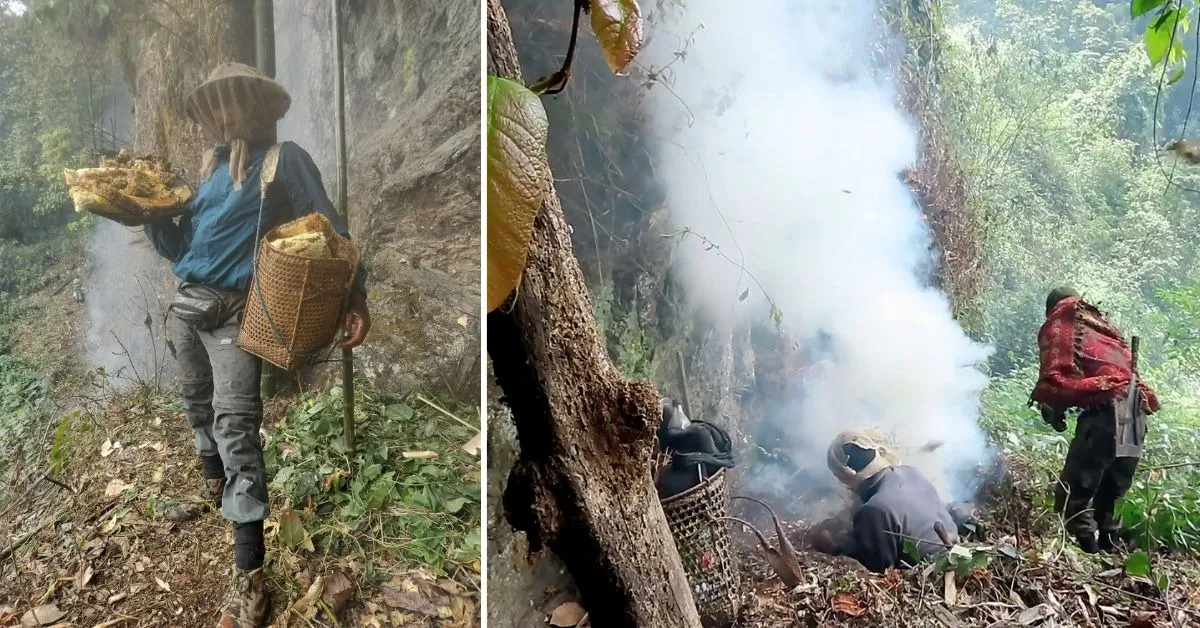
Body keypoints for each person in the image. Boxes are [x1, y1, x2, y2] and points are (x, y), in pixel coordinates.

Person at [144, 62, 370, 627]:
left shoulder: (282, 161)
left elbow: (331, 230)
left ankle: (249, 576)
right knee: (195, 403)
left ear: (257, 106)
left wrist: (356, 296)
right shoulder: (212, 170)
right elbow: (183, 251)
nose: (224, 114)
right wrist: (151, 218)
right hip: (187, 309)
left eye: (233, 101)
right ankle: (212, 486)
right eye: (216, 105)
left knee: (236, 427)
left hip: (233, 316)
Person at [1031, 287, 1158, 553]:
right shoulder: (1104, 327)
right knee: (1112, 490)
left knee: (1074, 489)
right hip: (1136, 406)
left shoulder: (1060, 323)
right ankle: (1109, 551)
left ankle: (1088, 552)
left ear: (1052, 307)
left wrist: (1053, 409)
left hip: (1106, 412)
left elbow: (1054, 378)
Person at [811, 429, 957, 573]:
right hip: (957, 554)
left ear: (844, 476)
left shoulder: (874, 509)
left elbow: (879, 569)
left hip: (936, 572)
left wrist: (831, 547)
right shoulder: (912, 472)